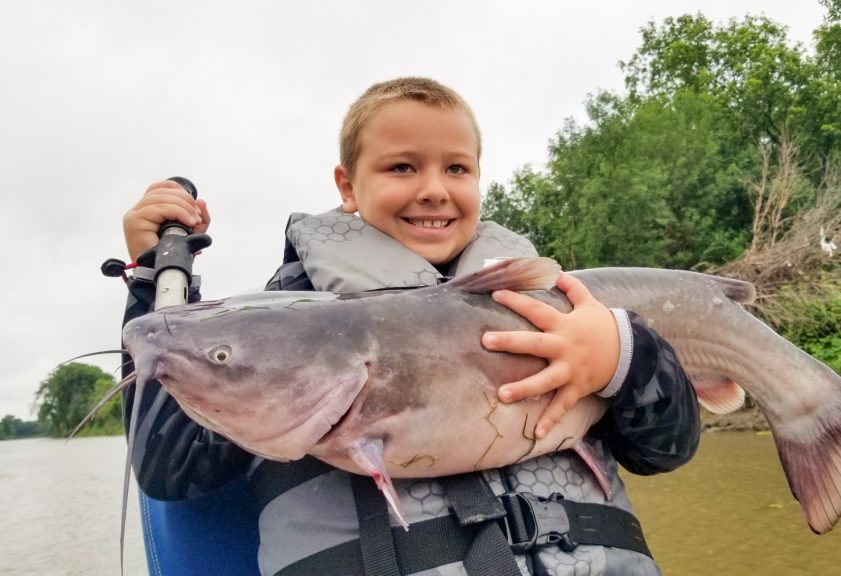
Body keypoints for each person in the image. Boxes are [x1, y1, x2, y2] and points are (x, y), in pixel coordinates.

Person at [119, 77, 701, 576]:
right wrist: (152, 282)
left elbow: (665, 452)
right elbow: (173, 466)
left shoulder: (559, 308)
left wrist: (625, 354)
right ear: (347, 186)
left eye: (456, 168)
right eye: (402, 167)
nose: (432, 188)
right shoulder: (281, 325)